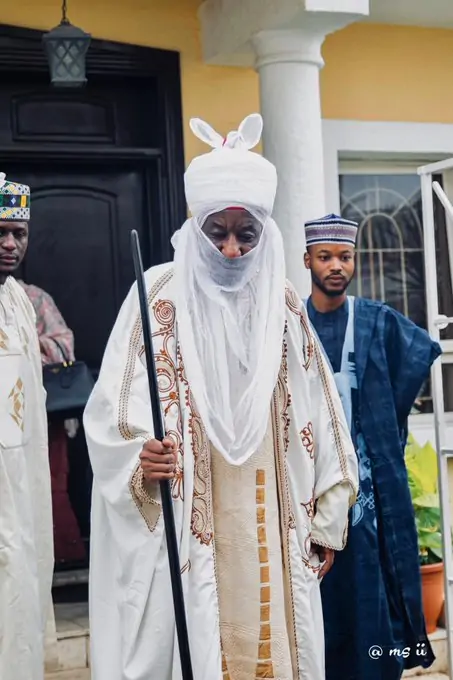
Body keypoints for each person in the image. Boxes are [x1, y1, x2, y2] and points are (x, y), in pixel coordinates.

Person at [84, 115, 359, 680]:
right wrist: (141, 457)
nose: (232, 249)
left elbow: (321, 407)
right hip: (193, 510)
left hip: (271, 510)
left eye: (246, 233)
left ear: (264, 232)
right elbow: (114, 411)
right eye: (218, 232)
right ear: (196, 225)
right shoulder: (156, 295)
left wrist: (327, 513)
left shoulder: (282, 301)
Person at [303, 213, 442, 680]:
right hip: (307, 486)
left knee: (370, 587)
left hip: (367, 493)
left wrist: (380, 426)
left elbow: (419, 353)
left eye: (345, 257)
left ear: (355, 261)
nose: (335, 266)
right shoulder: (289, 324)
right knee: (315, 594)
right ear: (307, 260)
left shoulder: (375, 321)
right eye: (325, 257)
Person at [0, 172, 54, 680]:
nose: (10, 244)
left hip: (19, 471)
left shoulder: (18, 298)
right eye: (0, 232)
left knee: (19, 582)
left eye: (19, 232)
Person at [19, 281, 86, 566]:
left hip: (42, 414)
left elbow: (63, 343)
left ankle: (63, 559)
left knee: (49, 485)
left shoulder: (33, 298)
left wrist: (24, 341)